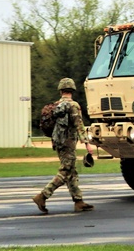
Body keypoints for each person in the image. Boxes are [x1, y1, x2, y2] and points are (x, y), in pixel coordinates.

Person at [32, 78, 95, 214]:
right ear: (72, 90)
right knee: (66, 171)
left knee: (72, 172)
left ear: (61, 91)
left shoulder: (55, 105)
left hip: (58, 142)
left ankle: (78, 201)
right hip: (68, 143)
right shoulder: (74, 105)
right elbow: (79, 125)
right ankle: (42, 196)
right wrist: (87, 145)